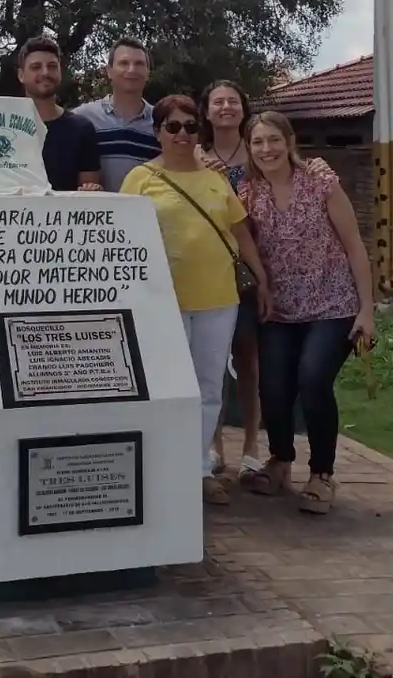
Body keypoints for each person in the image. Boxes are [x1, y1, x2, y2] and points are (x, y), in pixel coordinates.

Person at [120, 95, 269, 506]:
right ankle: (162, 467)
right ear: (158, 132)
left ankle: (198, 468)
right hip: (162, 300)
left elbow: (240, 234)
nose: (182, 134)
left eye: (190, 126)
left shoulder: (215, 180)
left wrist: (262, 281)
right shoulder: (140, 178)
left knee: (208, 387)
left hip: (218, 297)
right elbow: (123, 238)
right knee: (167, 387)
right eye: (173, 127)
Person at [238, 112, 375, 514]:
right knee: (273, 389)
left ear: (290, 141)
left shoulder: (320, 182)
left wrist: (367, 310)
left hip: (333, 304)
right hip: (280, 309)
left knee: (313, 380)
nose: (267, 149)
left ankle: (322, 473)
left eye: (274, 140)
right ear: (249, 148)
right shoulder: (248, 194)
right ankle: (280, 459)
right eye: (258, 142)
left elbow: (354, 245)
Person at [198, 79, 263, 481]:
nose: (226, 108)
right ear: (206, 111)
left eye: (233, 101)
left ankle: (253, 444)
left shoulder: (258, 151)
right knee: (212, 361)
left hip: (253, 265)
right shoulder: (195, 156)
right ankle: (215, 442)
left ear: (243, 108)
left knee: (247, 358)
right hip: (210, 267)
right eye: (218, 102)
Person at [15, 35, 101, 192]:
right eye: (36, 67)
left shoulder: (82, 129)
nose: (45, 72)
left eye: (52, 66)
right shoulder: (4, 128)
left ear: (60, 72)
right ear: (21, 75)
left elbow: (89, 192)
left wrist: (91, 190)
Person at [73, 37, 159, 192]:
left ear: (148, 73)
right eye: (124, 63)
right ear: (109, 71)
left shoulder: (163, 122)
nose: (132, 70)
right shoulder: (81, 118)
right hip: (96, 207)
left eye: (139, 64)